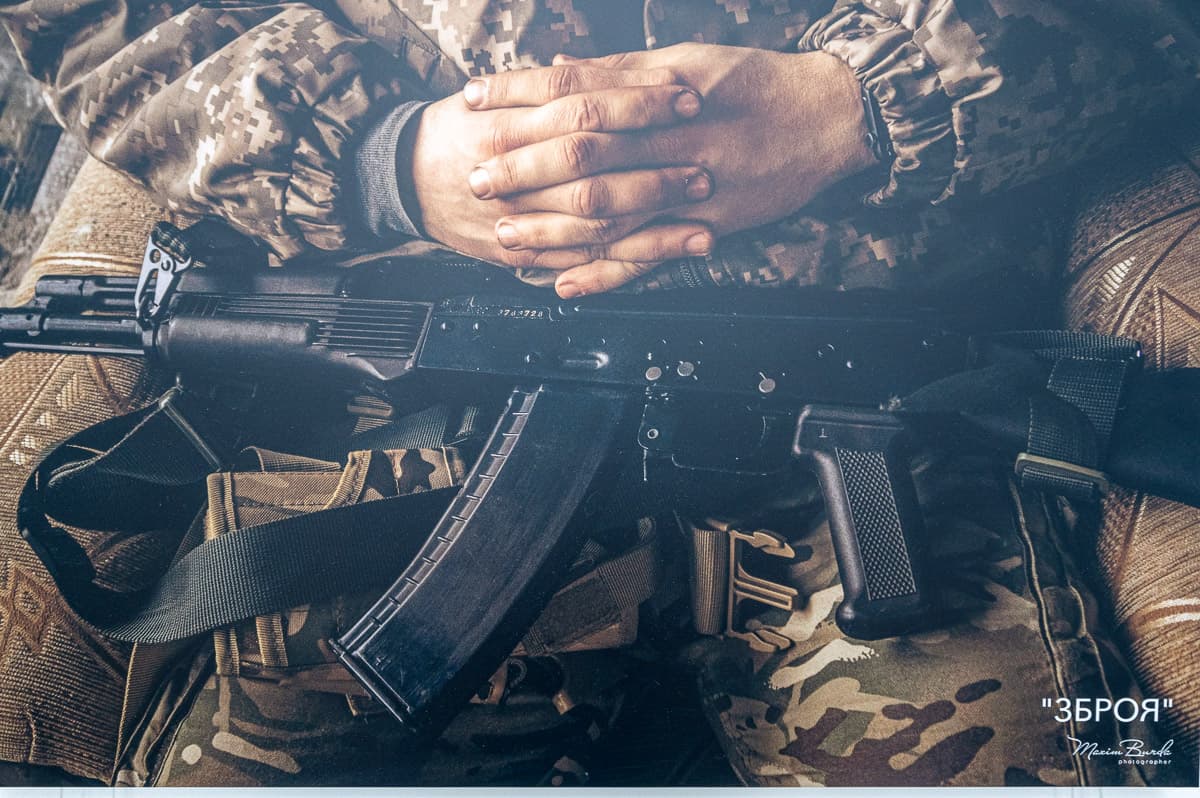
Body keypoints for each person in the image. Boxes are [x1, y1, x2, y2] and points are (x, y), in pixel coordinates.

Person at [0, 0, 1196, 787]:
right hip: (422, 441)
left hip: (887, 383)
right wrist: (382, 160)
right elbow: (99, 26)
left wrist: (870, 103)